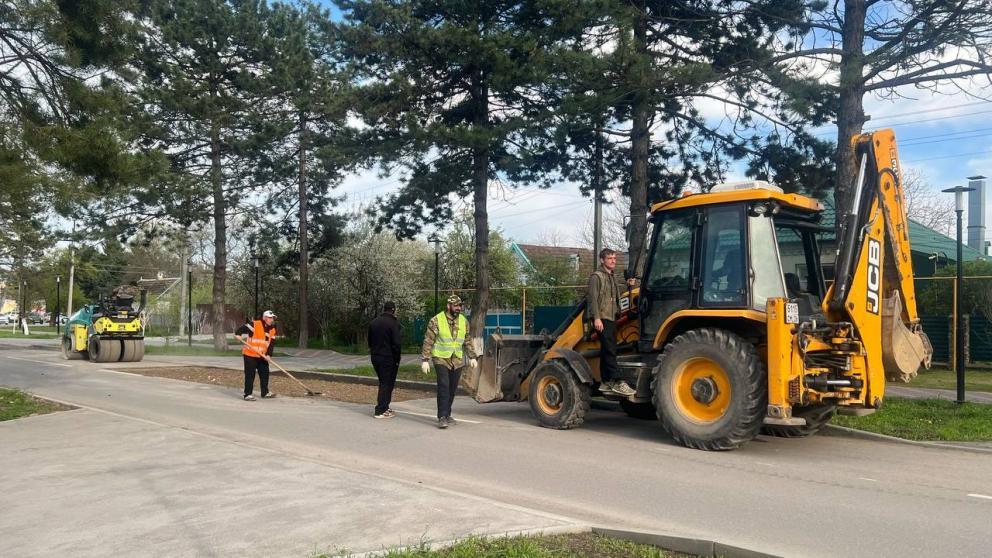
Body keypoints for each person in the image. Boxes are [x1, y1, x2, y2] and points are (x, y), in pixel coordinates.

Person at [421, 294, 478, 429]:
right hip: (441, 358)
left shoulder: (463, 321)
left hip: (456, 359)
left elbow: (467, 340)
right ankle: (442, 416)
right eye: (455, 305)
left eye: (459, 306)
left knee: (452, 388)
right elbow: (428, 340)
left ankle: (447, 414)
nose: (458, 308)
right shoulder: (436, 320)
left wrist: (472, 357)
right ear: (448, 306)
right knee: (444, 386)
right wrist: (425, 359)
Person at [587, 248, 637, 396]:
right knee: (610, 350)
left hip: (611, 316)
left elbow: (614, 294)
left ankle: (605, 381)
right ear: (602, 260)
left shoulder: (611, 276)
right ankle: (617, 381)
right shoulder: (596, 277)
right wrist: (596, 318)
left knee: (606, 349)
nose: (613, 261)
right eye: (609, 258)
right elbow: (593, 299)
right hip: (602, 317)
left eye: (614, 258)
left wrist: (628, 285)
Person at [367, 301, 402, 419]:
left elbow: (369, 341)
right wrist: (397, 358)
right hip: (388, 357)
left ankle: (385, 406)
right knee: (386, 383)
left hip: (375, 356)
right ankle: (380, 410)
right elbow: (396, 343)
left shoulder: (374, 322)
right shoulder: (394, 323)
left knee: (383, 381)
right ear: (393, 310)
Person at [234, 310, 278, 401]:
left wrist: (269, 355)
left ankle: (265, 393)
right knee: (250, 374)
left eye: (273, 318)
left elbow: (271, 344)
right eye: (270, 318)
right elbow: (241, 329)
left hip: (262, 356)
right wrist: (238, 334)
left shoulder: (272, 329)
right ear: (264, 318)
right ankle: (248, 394)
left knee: (265, 373)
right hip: (250, 354)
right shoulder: (255, 324)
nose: (272, 320)